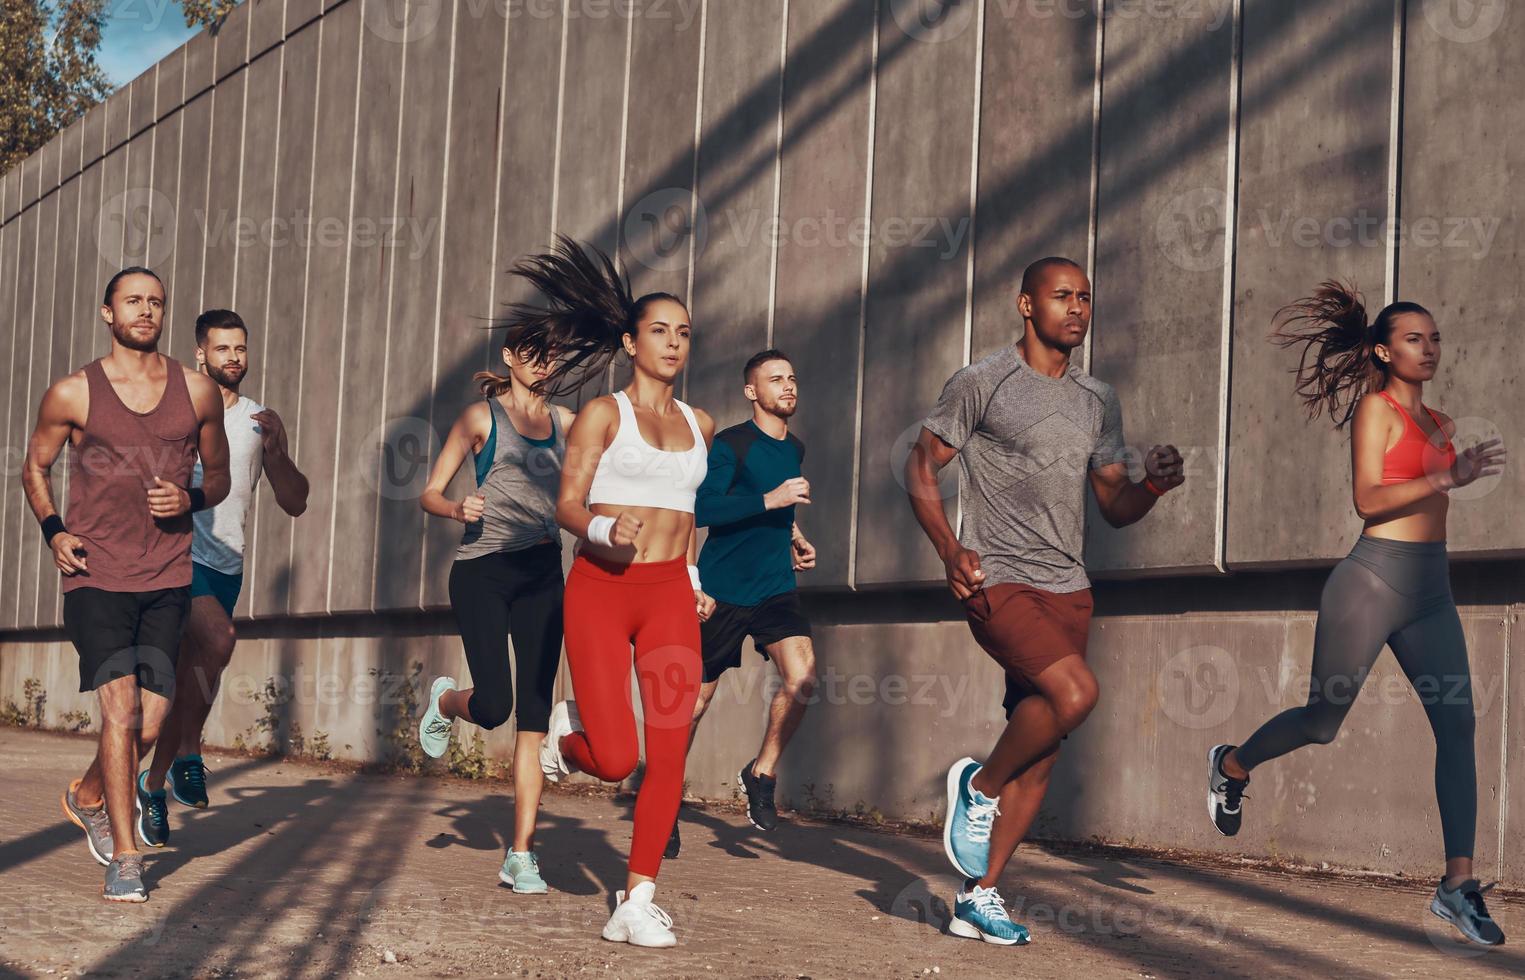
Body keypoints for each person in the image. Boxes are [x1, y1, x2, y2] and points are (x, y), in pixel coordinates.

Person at [1207, 282, 1507, 946]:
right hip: (1370, 582)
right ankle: (1231, 765)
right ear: (1381, 349)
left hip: (1430, 589)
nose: (1426, 349)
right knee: (1321, 722)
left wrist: (1450, 472)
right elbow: (1369, 499)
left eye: (1432, 339)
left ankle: (1456, 887)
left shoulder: (1443, 425)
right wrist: (1445, 479)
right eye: (1411, 338)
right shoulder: (1376, 411)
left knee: (1457, 726)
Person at [904, 257, 1183, 945]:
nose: (1076, 309)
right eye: (1061, 297)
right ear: (1024, 304)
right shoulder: (982, 382)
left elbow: (1112, 506)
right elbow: (920, 466)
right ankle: (976, 788)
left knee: (1044, 748)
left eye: (1085, 298)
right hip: (995, 577)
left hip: (1068, 589)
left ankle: (979, 895)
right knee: (1077, 694)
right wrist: (947, 548)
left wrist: (1150, 487)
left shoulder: (1097, 399)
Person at [518, 236, 715, 947]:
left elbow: (689, 516)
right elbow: (567, 505)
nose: (673, 343)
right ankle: (568, 743)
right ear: (631, 342)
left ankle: (635, 899)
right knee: (617, 757)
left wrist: (691, 579)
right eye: (659, 331)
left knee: (667, 754)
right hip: (601, 589)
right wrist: (606, 527)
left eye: (683, 333)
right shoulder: (605, 414)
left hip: (667, 594)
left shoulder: (701, 425)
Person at [22, 267, 230, 901]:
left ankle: (88, 795)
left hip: (167, 574)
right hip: (97, 576)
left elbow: (217, 482)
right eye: (133, 301)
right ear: (107, 313)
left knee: (149, 724)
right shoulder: (73, 393)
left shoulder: (198, 391)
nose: (146, 311)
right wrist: (54, 531)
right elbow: (35, 467)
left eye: (156, 303)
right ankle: (126, 858)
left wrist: (189, 497)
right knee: (122, 710)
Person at [137, 310, 309, 846]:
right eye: (222, 349)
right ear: (200, 355)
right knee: (220, 638)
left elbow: (296, 502)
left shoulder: (261, 421)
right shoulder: (177, 408)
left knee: (189, 680)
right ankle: (189, 752)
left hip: (227, 565)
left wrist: (278, 452)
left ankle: (155, 783)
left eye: (240, 349)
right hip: (175, 555)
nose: (233, 358)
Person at [415, 336, 574, 894]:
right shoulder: (481, 418)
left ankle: (521, 855)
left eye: (550, 355)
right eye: (532, 353)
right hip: (483, 570)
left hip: (543, 574)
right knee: (493, 706)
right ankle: (443, 699)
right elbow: (430, 493)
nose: (543, 363)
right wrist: (458, 506)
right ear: (510, 357)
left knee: (531, 718)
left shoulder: (568, 422)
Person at [679, 349, 816, 853]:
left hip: (775, 587)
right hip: (721, 591)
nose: (788, 386)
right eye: (775, 379)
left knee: (802, 677)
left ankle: (760, 773)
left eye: (792, 377)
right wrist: (771, 501)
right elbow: (702, 507)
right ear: (751, 391)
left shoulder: (795, 446)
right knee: (695, 702)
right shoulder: (730, 445)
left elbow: (779, 508)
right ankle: (665, 797)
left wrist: (793, 536)